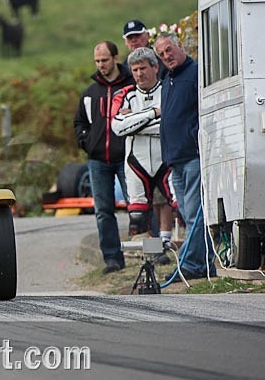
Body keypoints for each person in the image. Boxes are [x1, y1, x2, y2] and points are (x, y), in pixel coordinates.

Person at [154, 32, 216, 280]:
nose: (166, 56)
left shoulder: (195, 73)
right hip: (174, 159)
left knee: (193, 213)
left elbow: (205, 110)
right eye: (161, 54)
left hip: (192, 155)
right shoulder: (167, 79)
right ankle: (203, 263)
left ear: (180, 46)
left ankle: (191, 264)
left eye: (169, 49)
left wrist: (194, 136)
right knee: (187, 214)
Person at [74, 41, 134, 274]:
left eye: (105, 60)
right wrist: (86, 142)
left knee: (137, 205)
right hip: (98, 160)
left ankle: (152, 252)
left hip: (127, 158)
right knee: (103, 211)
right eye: (97, 61)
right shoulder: (90, 93)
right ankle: (112, 258)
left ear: (116, 58)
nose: (101, 65)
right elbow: (79, 122)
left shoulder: (131, 87)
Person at [111, 47, 174, 264]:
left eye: (143, 68)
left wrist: (135, 121)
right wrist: (153, 113)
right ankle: (153, 254)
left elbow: (170, 124)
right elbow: (118, 128)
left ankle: (183, 254)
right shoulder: (126, 95)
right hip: (136, 162)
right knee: (138, 217)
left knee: (179, 207)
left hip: (165, 158)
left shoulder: (168, 89)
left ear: (155, 67)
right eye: (135, 70)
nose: (139, 74)